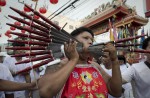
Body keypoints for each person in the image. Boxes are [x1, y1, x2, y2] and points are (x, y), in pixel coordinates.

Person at [38, 27, 122, 98]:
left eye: (92, 40)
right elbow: (45, 92)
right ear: (72, 41)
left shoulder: (95, 66)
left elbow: (116, 92)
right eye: (86, 38)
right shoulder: (59, 65)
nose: (90, 42)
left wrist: (114, 61)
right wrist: (73, 59)